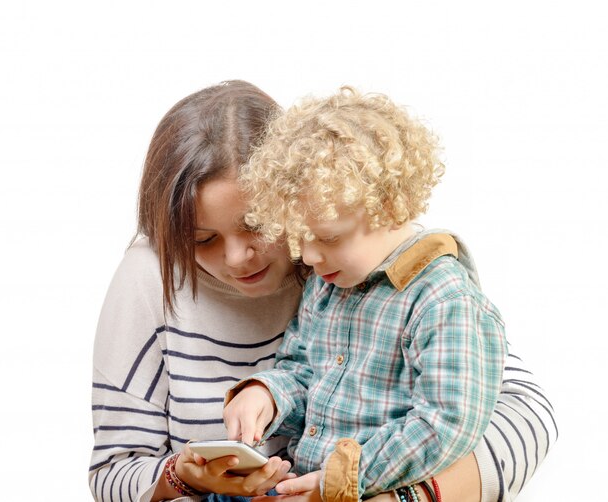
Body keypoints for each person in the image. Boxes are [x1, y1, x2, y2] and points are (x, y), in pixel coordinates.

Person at [89, 81, 557, 502]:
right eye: (201, 239)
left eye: (258, 225)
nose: (236, 258)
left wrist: (386, 494)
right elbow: (113, 472)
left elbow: (518, 412)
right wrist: (192, 468)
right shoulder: (157, 279)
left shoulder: (380, 266)